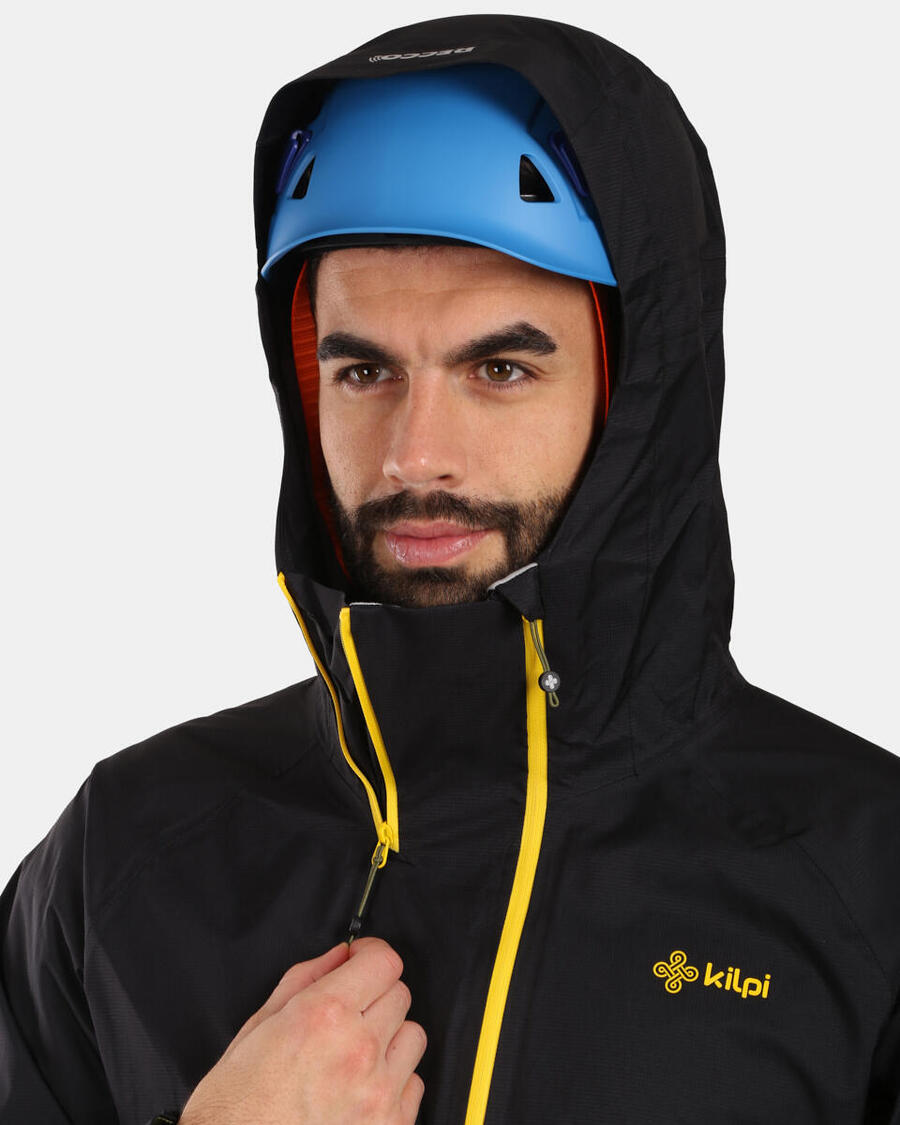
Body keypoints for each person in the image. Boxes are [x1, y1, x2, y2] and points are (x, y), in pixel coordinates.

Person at [2, 12, 899, 1125]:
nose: (414, 455)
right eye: (366, 371)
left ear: (637, 398)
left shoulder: (866, 883)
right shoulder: (126, 852)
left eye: (500, 368)